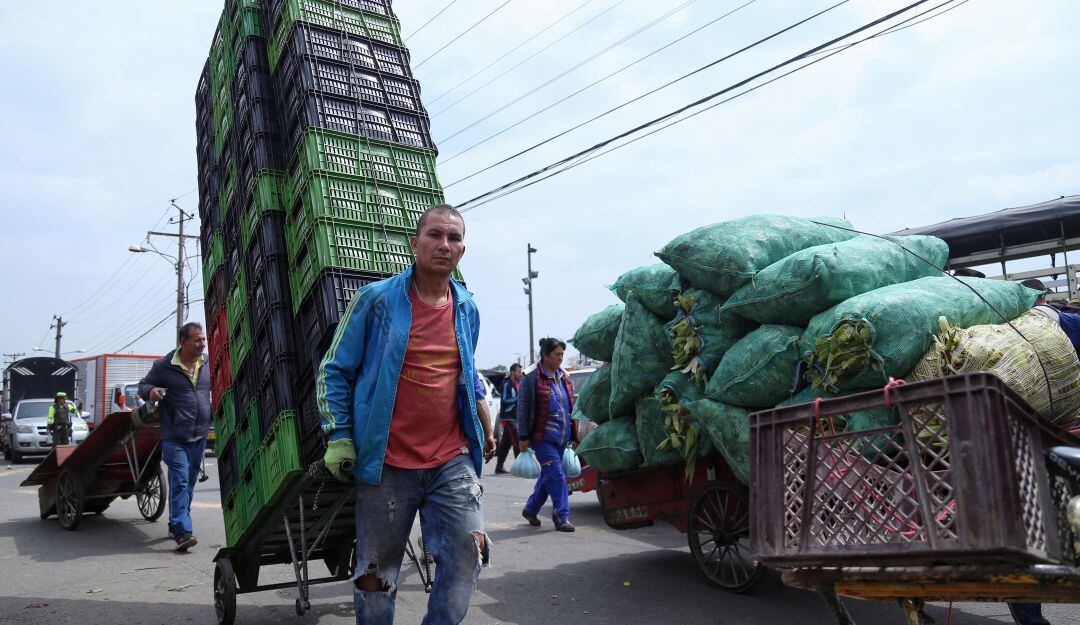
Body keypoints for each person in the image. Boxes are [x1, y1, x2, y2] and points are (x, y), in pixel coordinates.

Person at [319, 204, 496, 625]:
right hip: (387, 464)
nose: (444, 245)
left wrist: (485, 427)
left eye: (454, 238)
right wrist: (339, 435)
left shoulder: (467, 308)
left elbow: (466, 374)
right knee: (376, 577)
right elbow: (334, 370)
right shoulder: (377, 300)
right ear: (414, 244)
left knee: (469, 554)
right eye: (435, 235)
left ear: (462, 251)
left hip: (450, 460)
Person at [138, 322, 210, 551]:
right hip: (174, 436)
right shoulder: (164, 365)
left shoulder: (206, 362)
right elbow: (143, 385)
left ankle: (175, 523)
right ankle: (182, 532)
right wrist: (152, 392)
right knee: (179, 480)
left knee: (188, 483)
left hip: (199, 435)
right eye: (197, 340)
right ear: (183, 341)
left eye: (203, 339)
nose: (202, 344)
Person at [517, 337, 579, 532]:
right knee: (557, 476)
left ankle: (530, 509)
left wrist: (574, 435)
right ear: (545, 355)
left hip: (563, 437)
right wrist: (523, 436)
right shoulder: (531, 376)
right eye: (556, 354)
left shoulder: (564, 377)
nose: (560, 358)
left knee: (548, 476)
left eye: (562, 354)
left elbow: (570, 407)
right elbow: (523, 408)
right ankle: (561, 516)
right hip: (542, 438)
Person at [494, 363, 523, 474]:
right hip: (508, 417)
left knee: (506, 443)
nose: (520, 374)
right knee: (517, 440)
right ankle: (519, 467)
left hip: (515, 417)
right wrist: (517, 398)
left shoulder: (519, 383)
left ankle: (499, 467)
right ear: (512, 372)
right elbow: (505, 399)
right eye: (518, 372)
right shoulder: (507, 384)